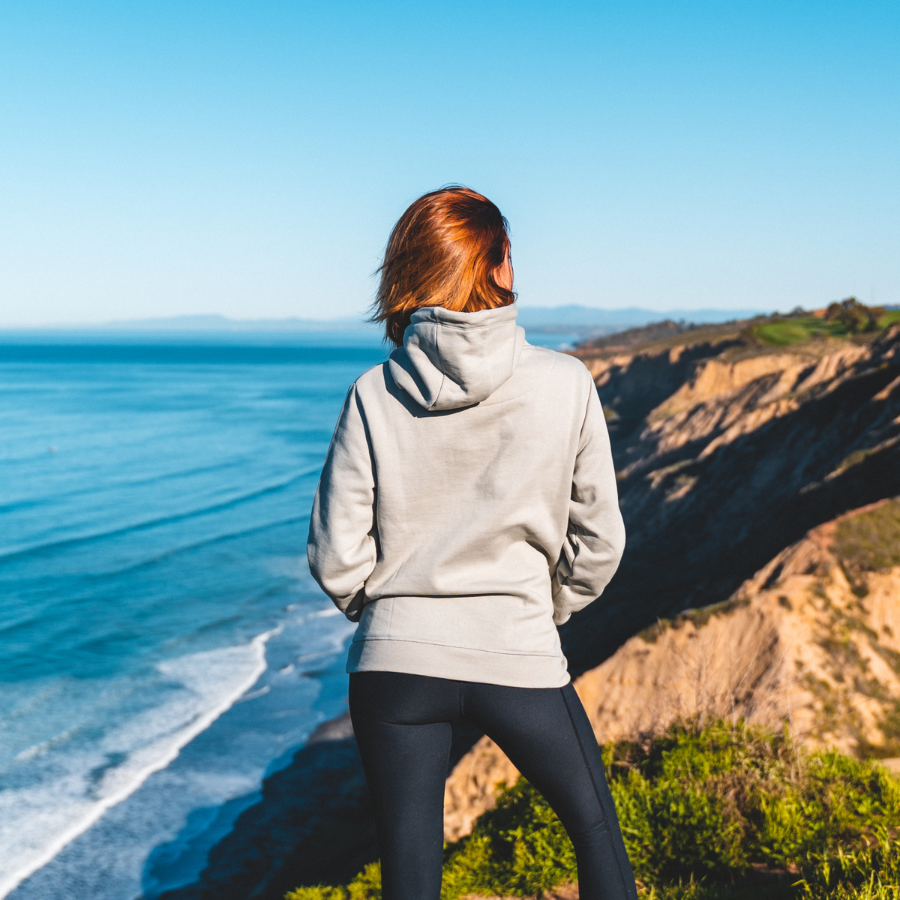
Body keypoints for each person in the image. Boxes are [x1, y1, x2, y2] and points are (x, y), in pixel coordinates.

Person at [308, 186, 637, 900]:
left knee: (410, 869)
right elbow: (600, 541)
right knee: (595, 834)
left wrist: (393, 612)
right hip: (517, 653)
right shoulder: (566, 382)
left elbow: (336, 555)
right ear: (501, 266)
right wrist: (539, 608)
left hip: (394, 670)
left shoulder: (373, 393)